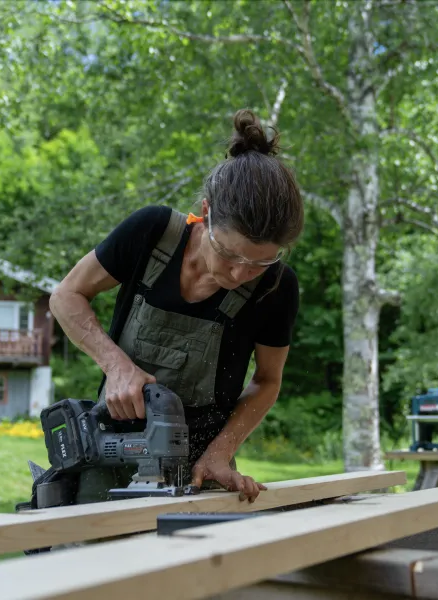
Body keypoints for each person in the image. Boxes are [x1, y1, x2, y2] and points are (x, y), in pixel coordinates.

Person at [49, 108, 304, 505]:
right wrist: (116, 366)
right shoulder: (152, 234)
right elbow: (66, 296)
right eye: (230, 254)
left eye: (259, 262)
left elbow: (267, 381)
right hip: (110, 445)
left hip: (203, 468)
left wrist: (221, 452)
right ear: (204, 213)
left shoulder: (276, 287)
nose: (239, 274)